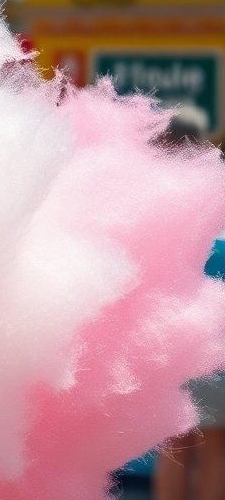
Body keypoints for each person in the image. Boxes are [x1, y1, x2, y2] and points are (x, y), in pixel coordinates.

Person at [156, 113, 225, 500]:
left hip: (174, 341)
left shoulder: (159, 201)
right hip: (216, 342)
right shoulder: (217, 195)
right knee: (214, 449)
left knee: (176, 447)